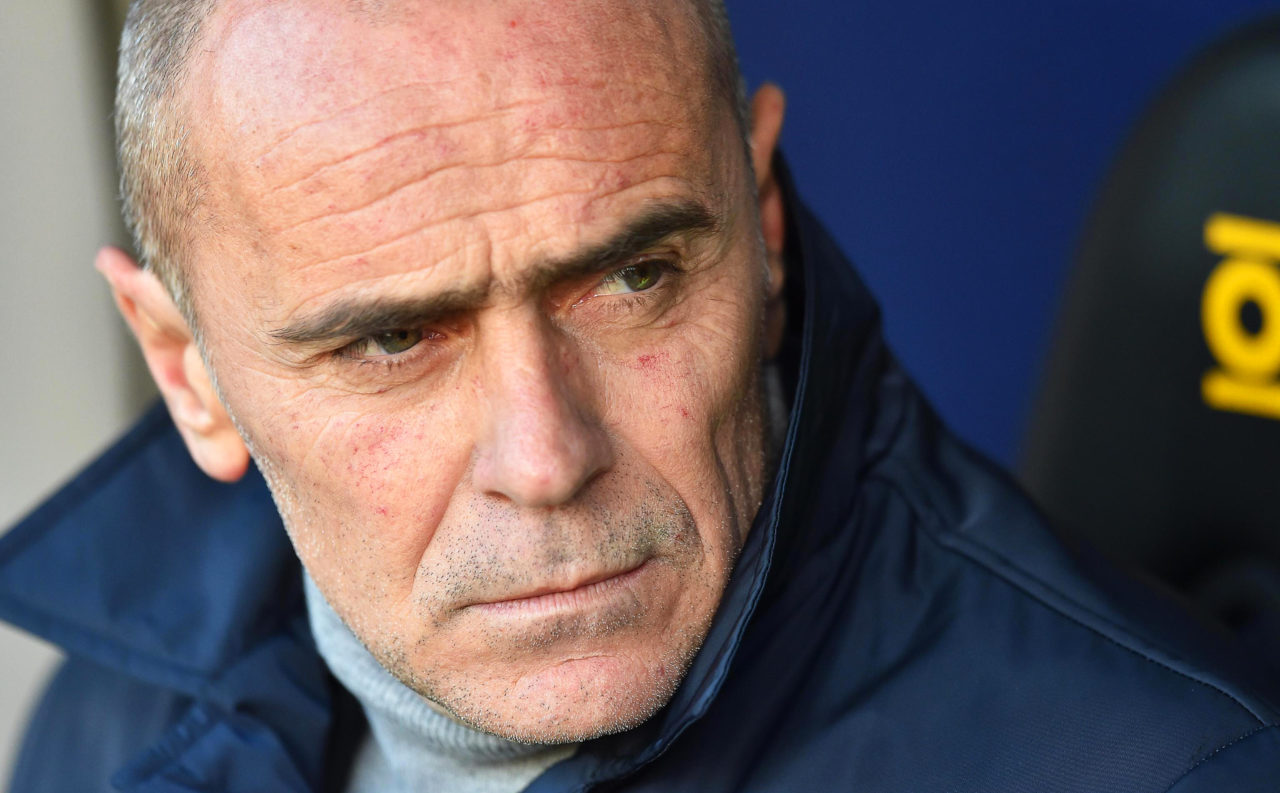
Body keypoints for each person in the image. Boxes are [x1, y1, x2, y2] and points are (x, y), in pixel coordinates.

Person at [2, 0, 1278, 790]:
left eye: (633, 277)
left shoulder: (1168, 775)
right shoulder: (107, 724)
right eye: (392, 340)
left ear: (764, 225)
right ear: (190, 374)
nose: (546, 454)